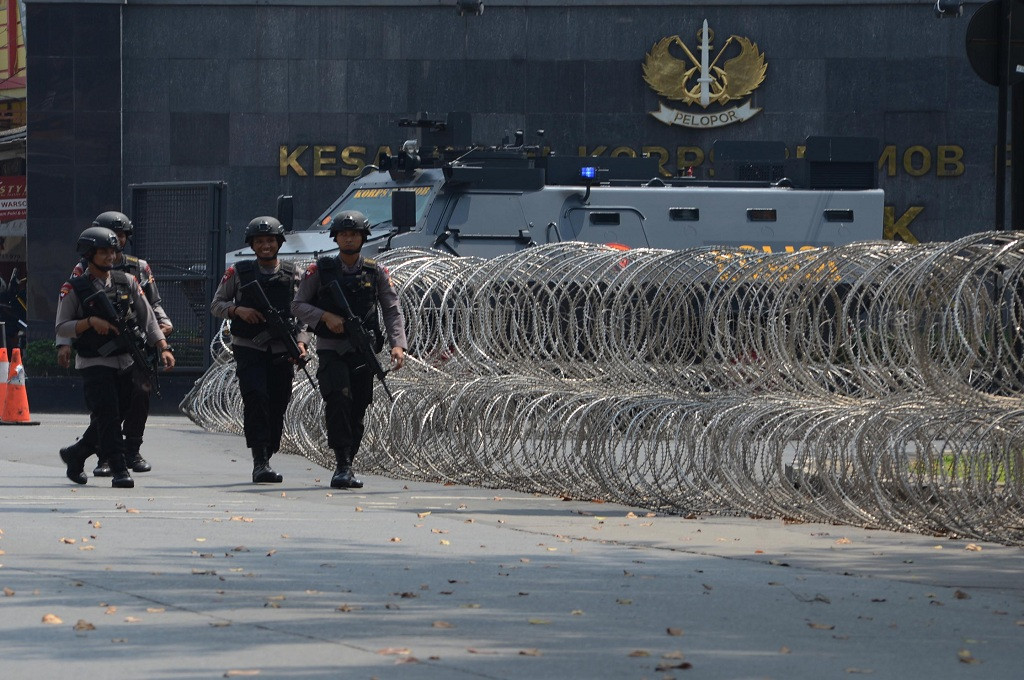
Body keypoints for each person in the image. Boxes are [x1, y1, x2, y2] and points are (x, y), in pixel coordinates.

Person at [291, 210, 406, 489]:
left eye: (354, 234)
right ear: (336, 237)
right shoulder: (319, 270)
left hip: (363, 349)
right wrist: (325, 317)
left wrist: (398, 345)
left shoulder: (375, 270)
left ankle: (349, 462)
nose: (349, 238)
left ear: (363, 237)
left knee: (358, 407)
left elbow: (391, 309)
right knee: (338, 400)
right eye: (343, 233)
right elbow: (297, 305)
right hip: (332, 348)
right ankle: (342, 464)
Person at [55, 226, 175, 488]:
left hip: (126, 360)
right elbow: (62, 326)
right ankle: (119, 468)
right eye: (103, 251)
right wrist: (89, 322)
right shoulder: (74, 287)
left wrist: (163, 346)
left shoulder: (128, 281)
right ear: (89, 253)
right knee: (108, 413)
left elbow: (148, 317)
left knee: (116, 412)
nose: (110, 256)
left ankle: (77, 453)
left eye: (113, 251)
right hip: (94, 361)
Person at [210, 216, 309, 483]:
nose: (265, 246)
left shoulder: (294, 274)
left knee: (278, 400)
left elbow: (302, 312)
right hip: (249, 347)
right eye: (260, 242)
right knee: (256, 398)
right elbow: (216, 304)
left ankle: (269, 447)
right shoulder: (238, 273)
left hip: (281, 348)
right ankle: (260, 460)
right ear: (252, 245)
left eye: (270, 241)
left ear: (279, 243)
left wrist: (301, 342)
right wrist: (237, 310)